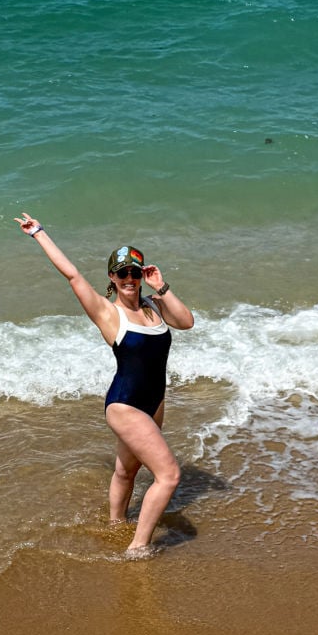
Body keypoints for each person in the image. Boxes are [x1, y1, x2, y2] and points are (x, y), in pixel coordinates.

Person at [15, 212, 194, 555]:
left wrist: (162, 287)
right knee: (169, 475)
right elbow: (72, 275)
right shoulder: (107, 313)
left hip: (154, 403)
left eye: (136, 272)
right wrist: (38, 233)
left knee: (127, 471)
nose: (130, 278)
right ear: (113, 276)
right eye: (123, 272)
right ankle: (137, 548)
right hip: (125, 405)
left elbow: (186, 322)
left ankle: (115, 526)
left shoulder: (154, 306)